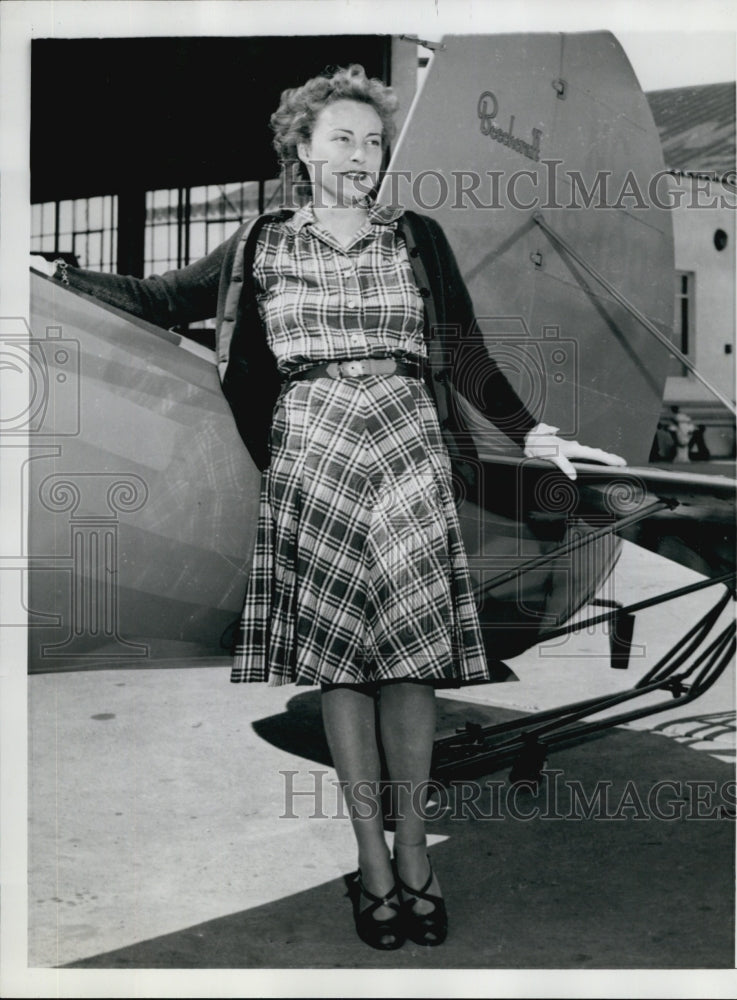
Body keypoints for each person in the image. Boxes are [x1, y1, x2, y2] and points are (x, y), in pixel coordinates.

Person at [48, 64, 625, 951]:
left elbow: (465, 351)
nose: (361, 154)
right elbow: (161, 301)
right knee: (343, 669)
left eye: (373, 140)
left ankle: (414, 852)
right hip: (312, 454)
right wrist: (57, 279)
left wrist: (534, 432)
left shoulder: (416, 238)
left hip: (407, 449)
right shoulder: (261, 243)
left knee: (411, 664)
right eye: (342, 138)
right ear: (303, 151)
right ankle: (372, 862)